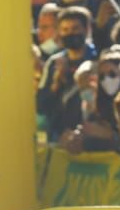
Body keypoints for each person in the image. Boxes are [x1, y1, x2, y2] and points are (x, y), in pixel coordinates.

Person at [37, 7, 98, 139]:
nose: (70, 34)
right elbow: (41, 105)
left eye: (75, 29)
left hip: (90, 134)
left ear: (86, 30)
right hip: (60, 136)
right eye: (65, 30)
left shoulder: (97, 61)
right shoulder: (54, 63)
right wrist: (56, 82)